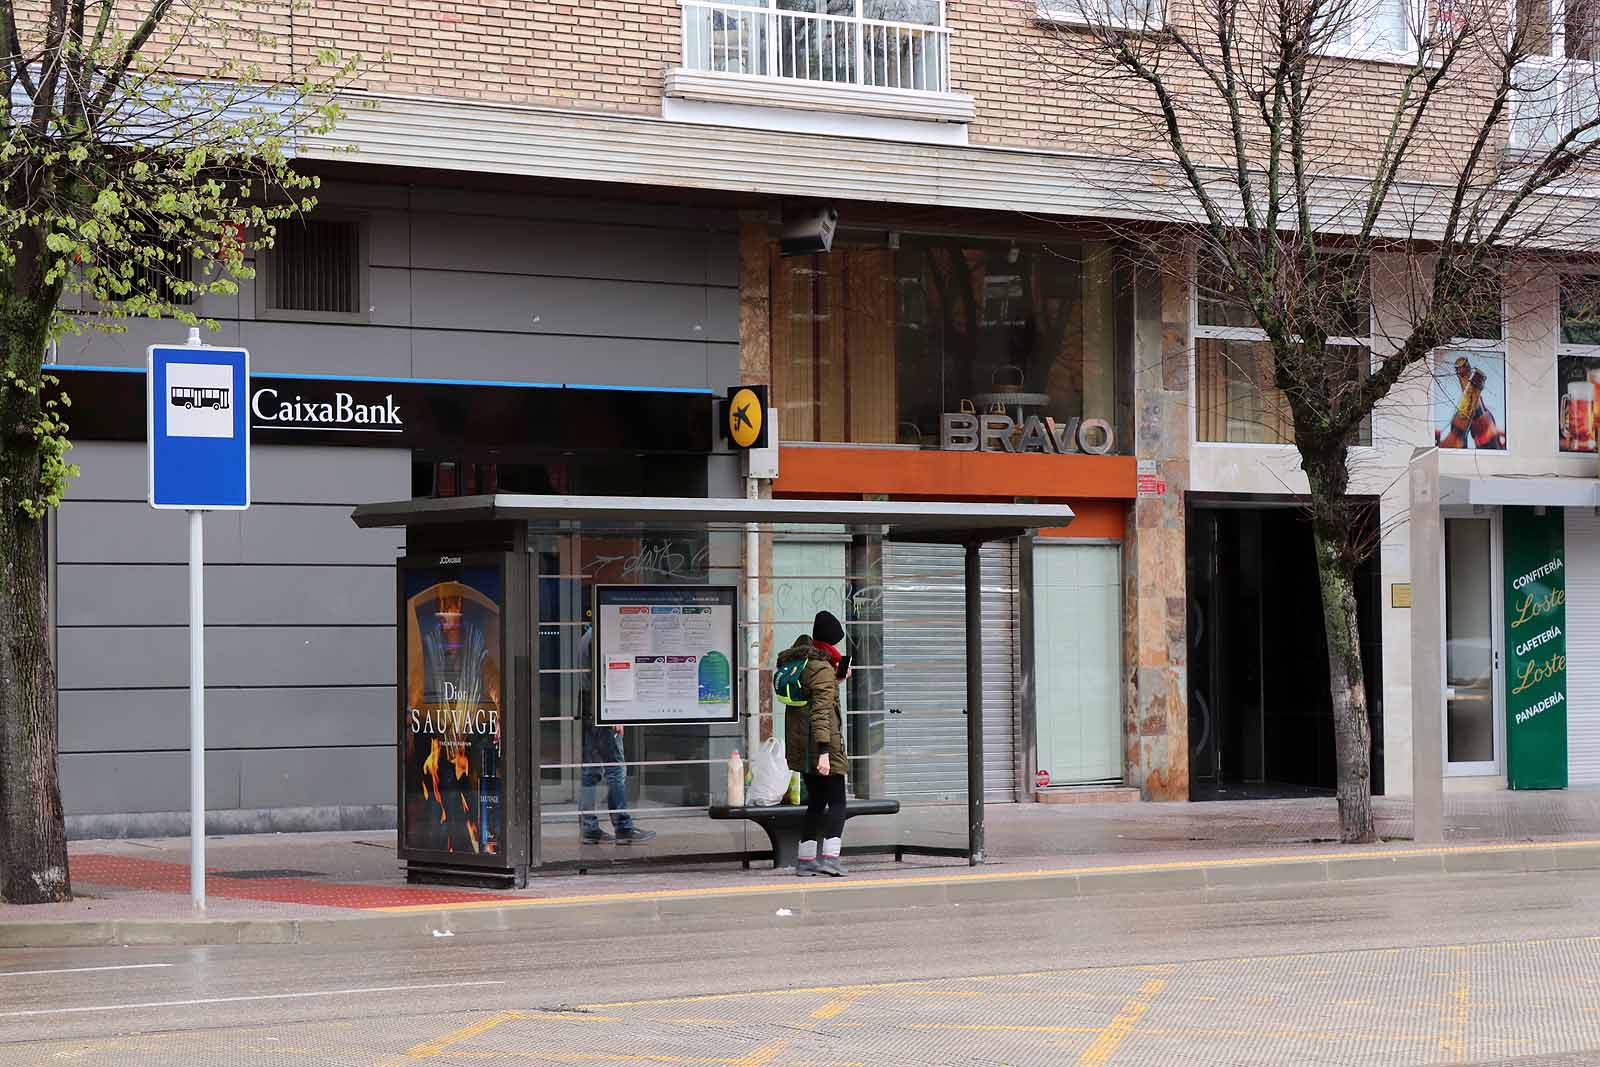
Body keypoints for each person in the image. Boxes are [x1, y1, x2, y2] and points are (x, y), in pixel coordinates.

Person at [780, 610, 850, 877]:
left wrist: (837, 681)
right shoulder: (821, 668)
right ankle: (831, 858)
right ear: (830, 641)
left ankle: (806, 860)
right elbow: (821, 713)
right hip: (823, 746)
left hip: (803, 747)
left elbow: (810, 705)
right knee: (838, 802)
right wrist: (824, 753)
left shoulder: (802, 664)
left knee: (816, 803)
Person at [578, 622, 656, 845]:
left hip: (587, 707)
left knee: (590, 771)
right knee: (616, 769)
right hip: (602, 708)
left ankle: (589, 828)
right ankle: (623, 827)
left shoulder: (586, 636)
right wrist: (614, 713)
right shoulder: (600, 637)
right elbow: (604, 676)